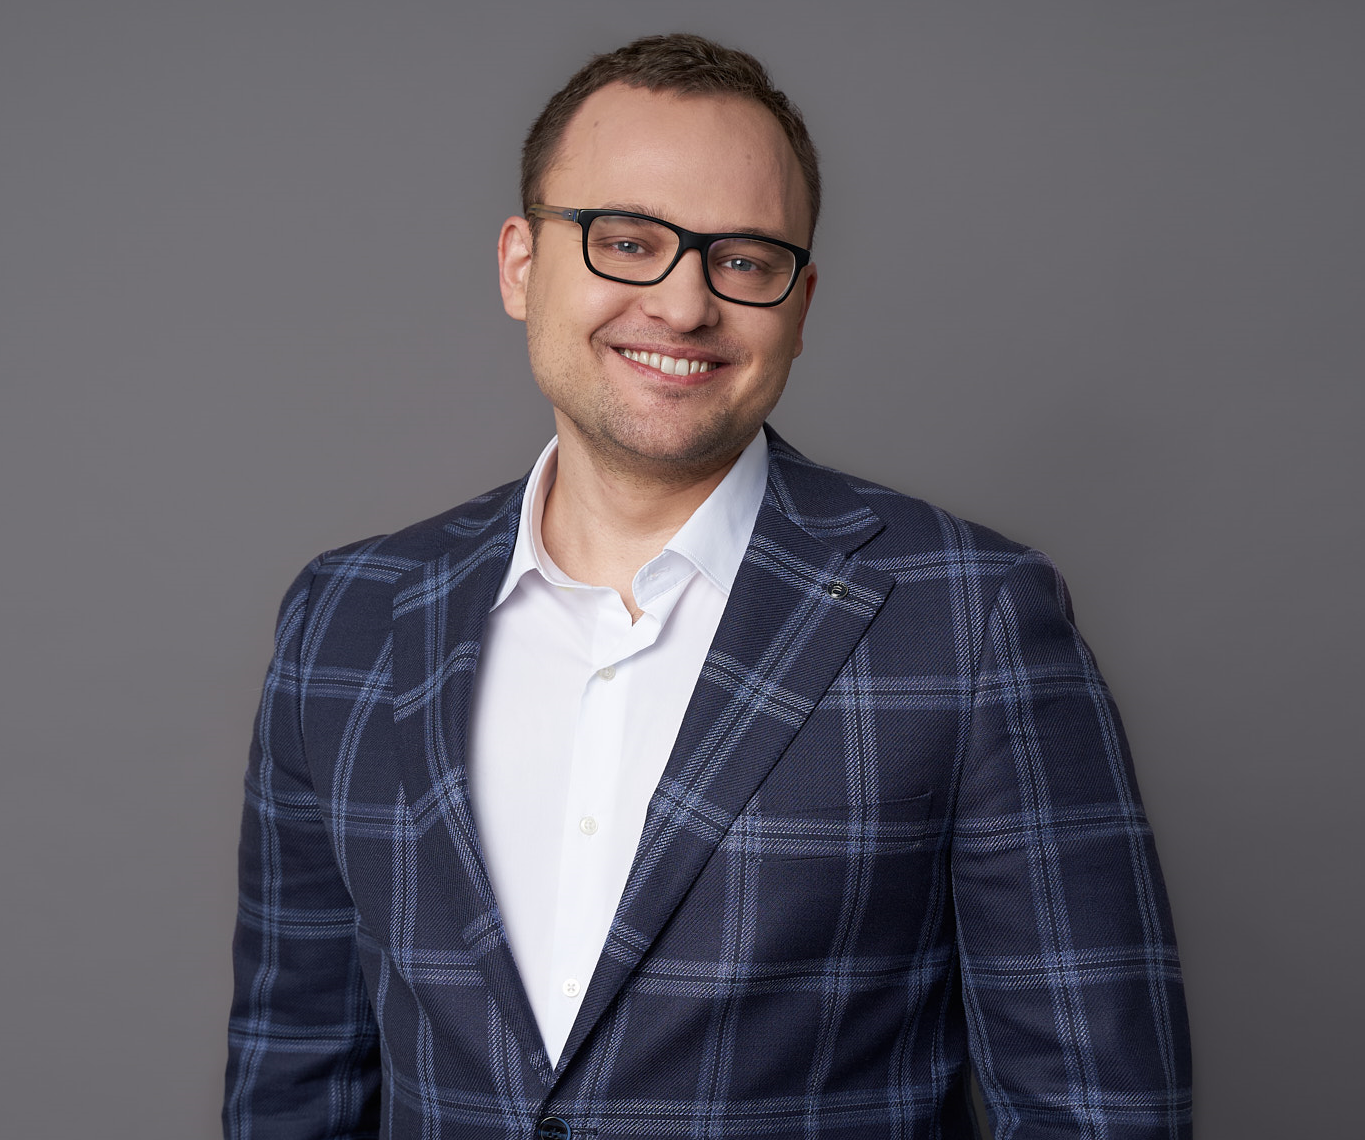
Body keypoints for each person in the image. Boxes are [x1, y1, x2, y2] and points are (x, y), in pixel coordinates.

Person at [224, 33, 1191, 1140]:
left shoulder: (970, 620)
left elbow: (1103, 1111)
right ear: (521, 265)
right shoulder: (341, 621)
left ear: (801, 299)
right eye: (625, 239)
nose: (683, 306)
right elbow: (292, 1076)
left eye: (742, 260)